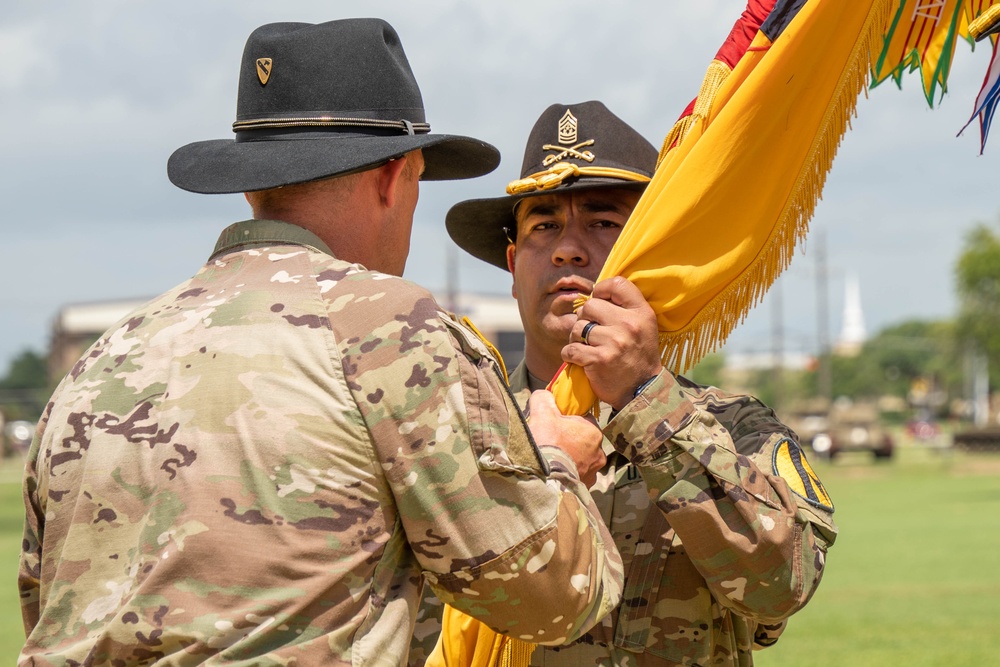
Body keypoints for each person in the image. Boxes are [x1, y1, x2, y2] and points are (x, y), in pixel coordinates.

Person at [17, 24, 626, 666]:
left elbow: (45, 608)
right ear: (394, 178)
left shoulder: (101, 362)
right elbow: (555, 597)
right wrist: (558, 463)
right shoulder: (387, 330)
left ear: (253, 186)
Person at [414, 101, 838, 666]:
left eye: (604, 222)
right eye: (543, 225)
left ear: (655, 255)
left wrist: (645, 400)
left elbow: (779, 589)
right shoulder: (443, 428)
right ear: (513, 264)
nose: (568, 246)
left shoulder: (730, 427)